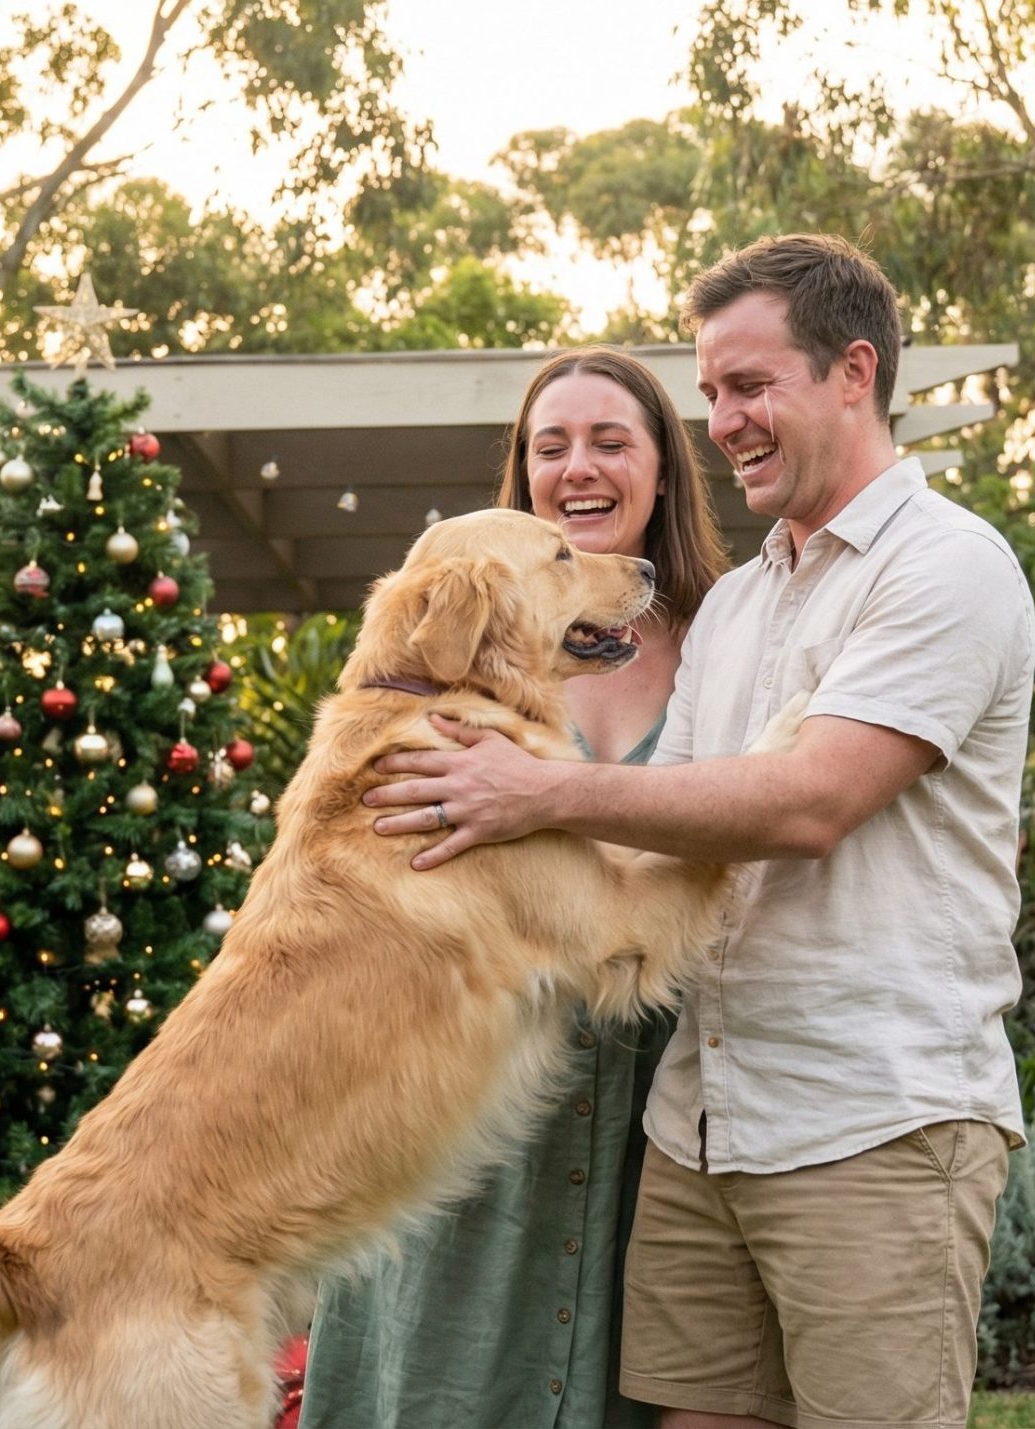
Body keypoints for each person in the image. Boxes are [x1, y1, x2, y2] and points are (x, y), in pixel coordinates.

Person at [361, 234, 1035, 1429]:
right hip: (702, 1124)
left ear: (853, 372)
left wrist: (537, 793)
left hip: (868, 1121)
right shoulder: (739, 604)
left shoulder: (945, 570)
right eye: (711, 393)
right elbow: (652, 833)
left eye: (748, 385)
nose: (722, 421)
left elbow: (810, 801)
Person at [301, 346, 731, 1429]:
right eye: (550, 447)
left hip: (662, 1116)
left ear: (665, 470)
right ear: (523, 473)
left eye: (609, 441)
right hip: (468, 1110)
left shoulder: (732, 641)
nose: (577, 468)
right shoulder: (452, 655)